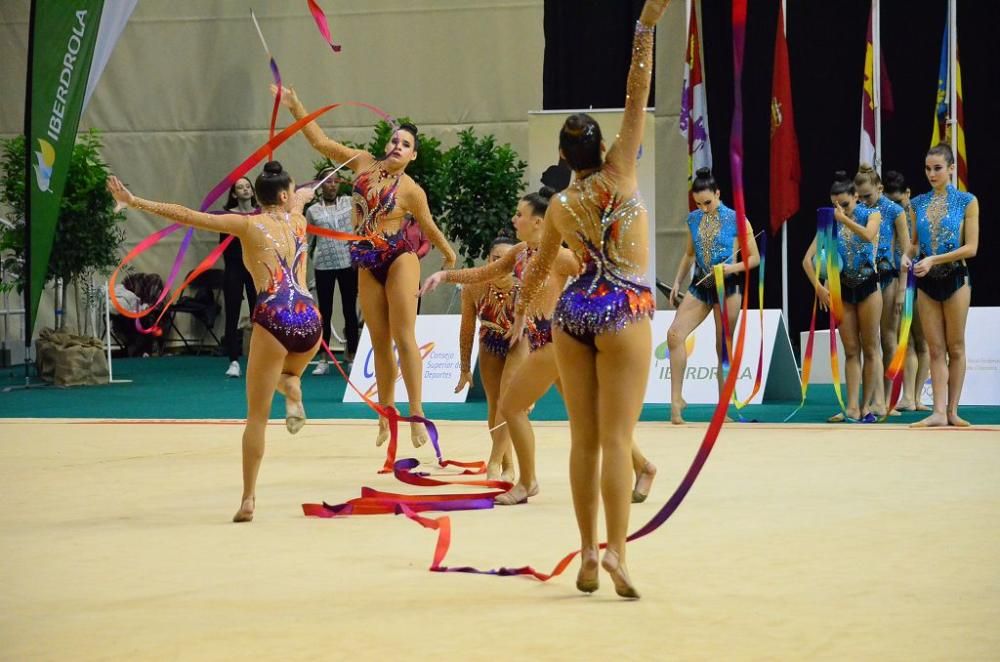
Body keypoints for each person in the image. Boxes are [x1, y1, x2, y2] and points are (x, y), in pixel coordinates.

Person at [506, 0, 670, 599]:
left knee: (582, 441)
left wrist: (521, 314)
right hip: (622, 307)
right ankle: (619, 554)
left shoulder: (559, 207)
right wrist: (643, 27)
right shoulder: (622, 168)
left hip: (574, 312)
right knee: (617, 442)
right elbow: (636, 94)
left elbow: (538, 272)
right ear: (602, 147)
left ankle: (586, 557)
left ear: (560, 157)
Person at [108, 161, 322, 523]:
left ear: (258, 195)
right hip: (310, 320)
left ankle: (249, 499)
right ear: (285, 195)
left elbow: (187, 216)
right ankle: (294, 387)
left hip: (273, 318)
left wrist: (135, 201)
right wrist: (307, 190)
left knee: (256, 417)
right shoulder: (299, 218)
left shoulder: (246, 224)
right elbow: (303, 194)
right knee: (288, 375)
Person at [275, 85, 457, 447]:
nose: (397, 147)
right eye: (394, 140)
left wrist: (448, 254)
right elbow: (322, 144)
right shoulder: (360, 161)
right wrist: (296, 105)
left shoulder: (411, 190)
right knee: (378, 340)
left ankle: (417, 414)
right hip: (364, 258)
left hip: (398, 257)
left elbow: (429, 226)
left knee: (405, 336)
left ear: (413, 156)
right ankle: (386, 413)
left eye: (405, 145)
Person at [666, 167, 760, 424]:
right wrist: (677, 281)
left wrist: (731, 267)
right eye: (698, 203)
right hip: (701, 284)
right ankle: (676, 400)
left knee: (722, 348)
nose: (704, 208)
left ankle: (723, 408)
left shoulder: (737, 219)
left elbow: (754, 259)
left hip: (727, 287)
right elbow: (689, 254)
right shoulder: (694, 219)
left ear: (718, 194)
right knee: (674, 335)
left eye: (708, 202)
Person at [802, 171, 882, 423]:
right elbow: (806, 260)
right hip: (842, 291)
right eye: (835, 204)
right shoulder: (829, 222)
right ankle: (851, 407)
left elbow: (868, 236)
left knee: (870, 348)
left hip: (869, 286)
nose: (840, 209)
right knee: (850, 350)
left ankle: (867, 406)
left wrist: (843, 219)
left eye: (845, 204)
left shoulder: (872, 214)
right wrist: (818, 287)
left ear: (856, 197)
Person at [908, 144, 979, 427]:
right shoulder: (917, 203)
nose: (932, 174)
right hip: (927, 282)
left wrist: (934, 258)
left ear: (951, 168)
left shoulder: (967, 201)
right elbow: (914, 244)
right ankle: (937, 412)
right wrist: (906, 255)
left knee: (956, 347)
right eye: (928, 168)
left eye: (938, 168)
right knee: (935, 349)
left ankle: (952, 410)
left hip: (955, 278)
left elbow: (971, 248)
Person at [453, 235, 519, 480]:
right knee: (495, 405)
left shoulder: (527, 281)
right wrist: (464, 367)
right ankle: (507, 464)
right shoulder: (475, 283)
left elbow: (542, 322)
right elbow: (467, 327)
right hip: (490, 341)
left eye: (508, 260)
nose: (501, 265)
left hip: (522, 343)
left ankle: (495, 463)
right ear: (488, 259)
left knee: (509, 402)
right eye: (496, 259)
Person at [855, 164, 910, 415]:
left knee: (888, 338)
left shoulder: (894, 211)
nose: (864, 201)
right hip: (864, 278)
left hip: (888, 278)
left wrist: (902, 289)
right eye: (860, 196)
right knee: (869, 341)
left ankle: (889, 398)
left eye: (868, 196)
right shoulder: (856, 211)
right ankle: (874, 398)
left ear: (880, 188)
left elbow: (906, 251)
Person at [883, 170, 930, 411]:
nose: (895, 208)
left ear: (908, 194)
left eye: (899, 202)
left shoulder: (918, 215)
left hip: (921, 279)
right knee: (906, 340)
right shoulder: (885, 218)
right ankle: (908, 397)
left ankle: (918, 396)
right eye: (889, 203)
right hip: (898, 279)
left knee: (923, 341)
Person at [306, 166, 359, 373]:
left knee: (349, 311)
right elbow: (308, 241)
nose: (333, 185)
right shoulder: (312, 211)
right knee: (324, 313)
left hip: (347, 263)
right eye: (328, 181)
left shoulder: (349, 202)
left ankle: (351, 355)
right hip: (323, 265)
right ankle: (323, 360)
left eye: (336, 181)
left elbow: (363, 193)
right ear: (320, 185)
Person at [220, 177, 259, 378]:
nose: (245, 190)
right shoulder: (227, 216)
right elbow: (223, 248)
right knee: (233, 312)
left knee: (258, 314)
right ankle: (234, 360)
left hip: (255, 269)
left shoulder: (261, 214)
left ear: (252, 191)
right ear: (234, 194)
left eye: (247, 186)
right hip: (234, 267)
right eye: (240, 188)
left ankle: (258, 358)